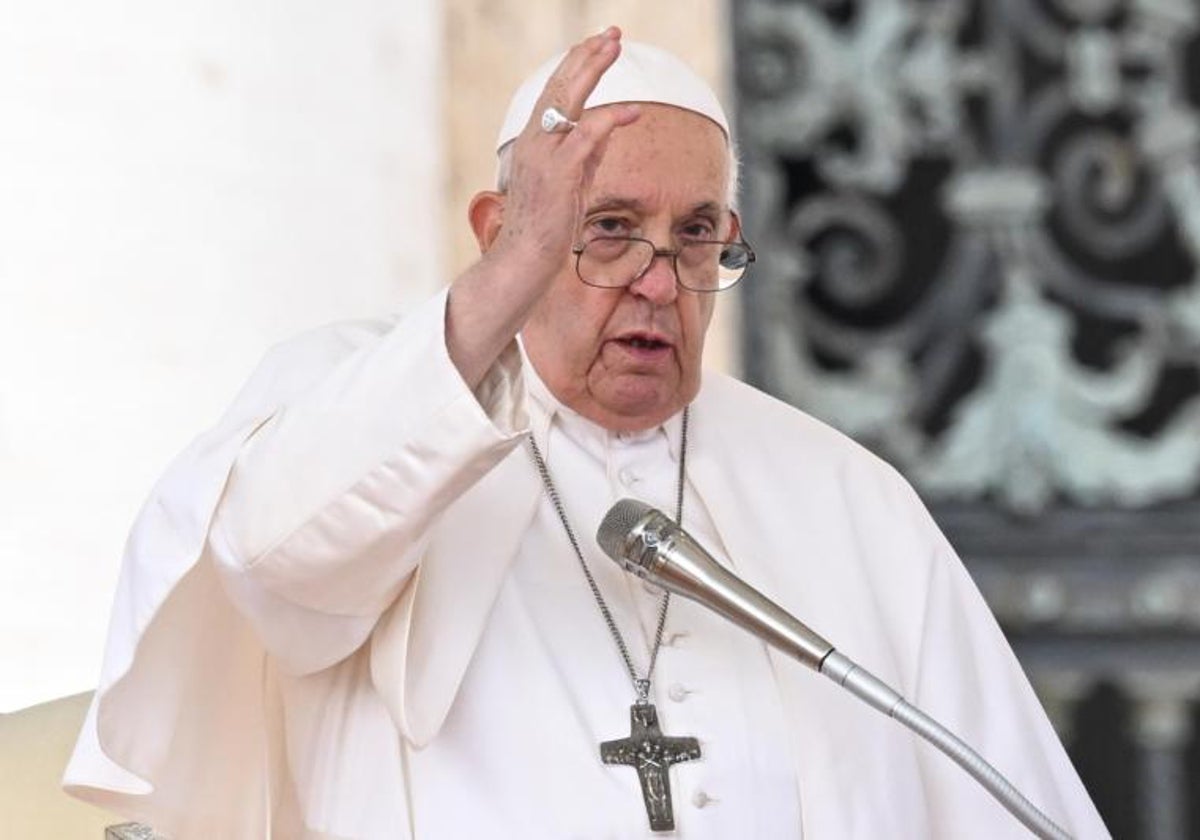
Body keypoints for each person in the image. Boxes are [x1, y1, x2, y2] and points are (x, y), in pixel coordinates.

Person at [64, 28, 1109, 839]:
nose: (659, 281)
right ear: (497, 233)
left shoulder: (842, 493)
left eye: (695, 234)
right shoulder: (362, 395)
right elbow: (274, 566)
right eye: (607, 229)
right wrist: (503, 289)